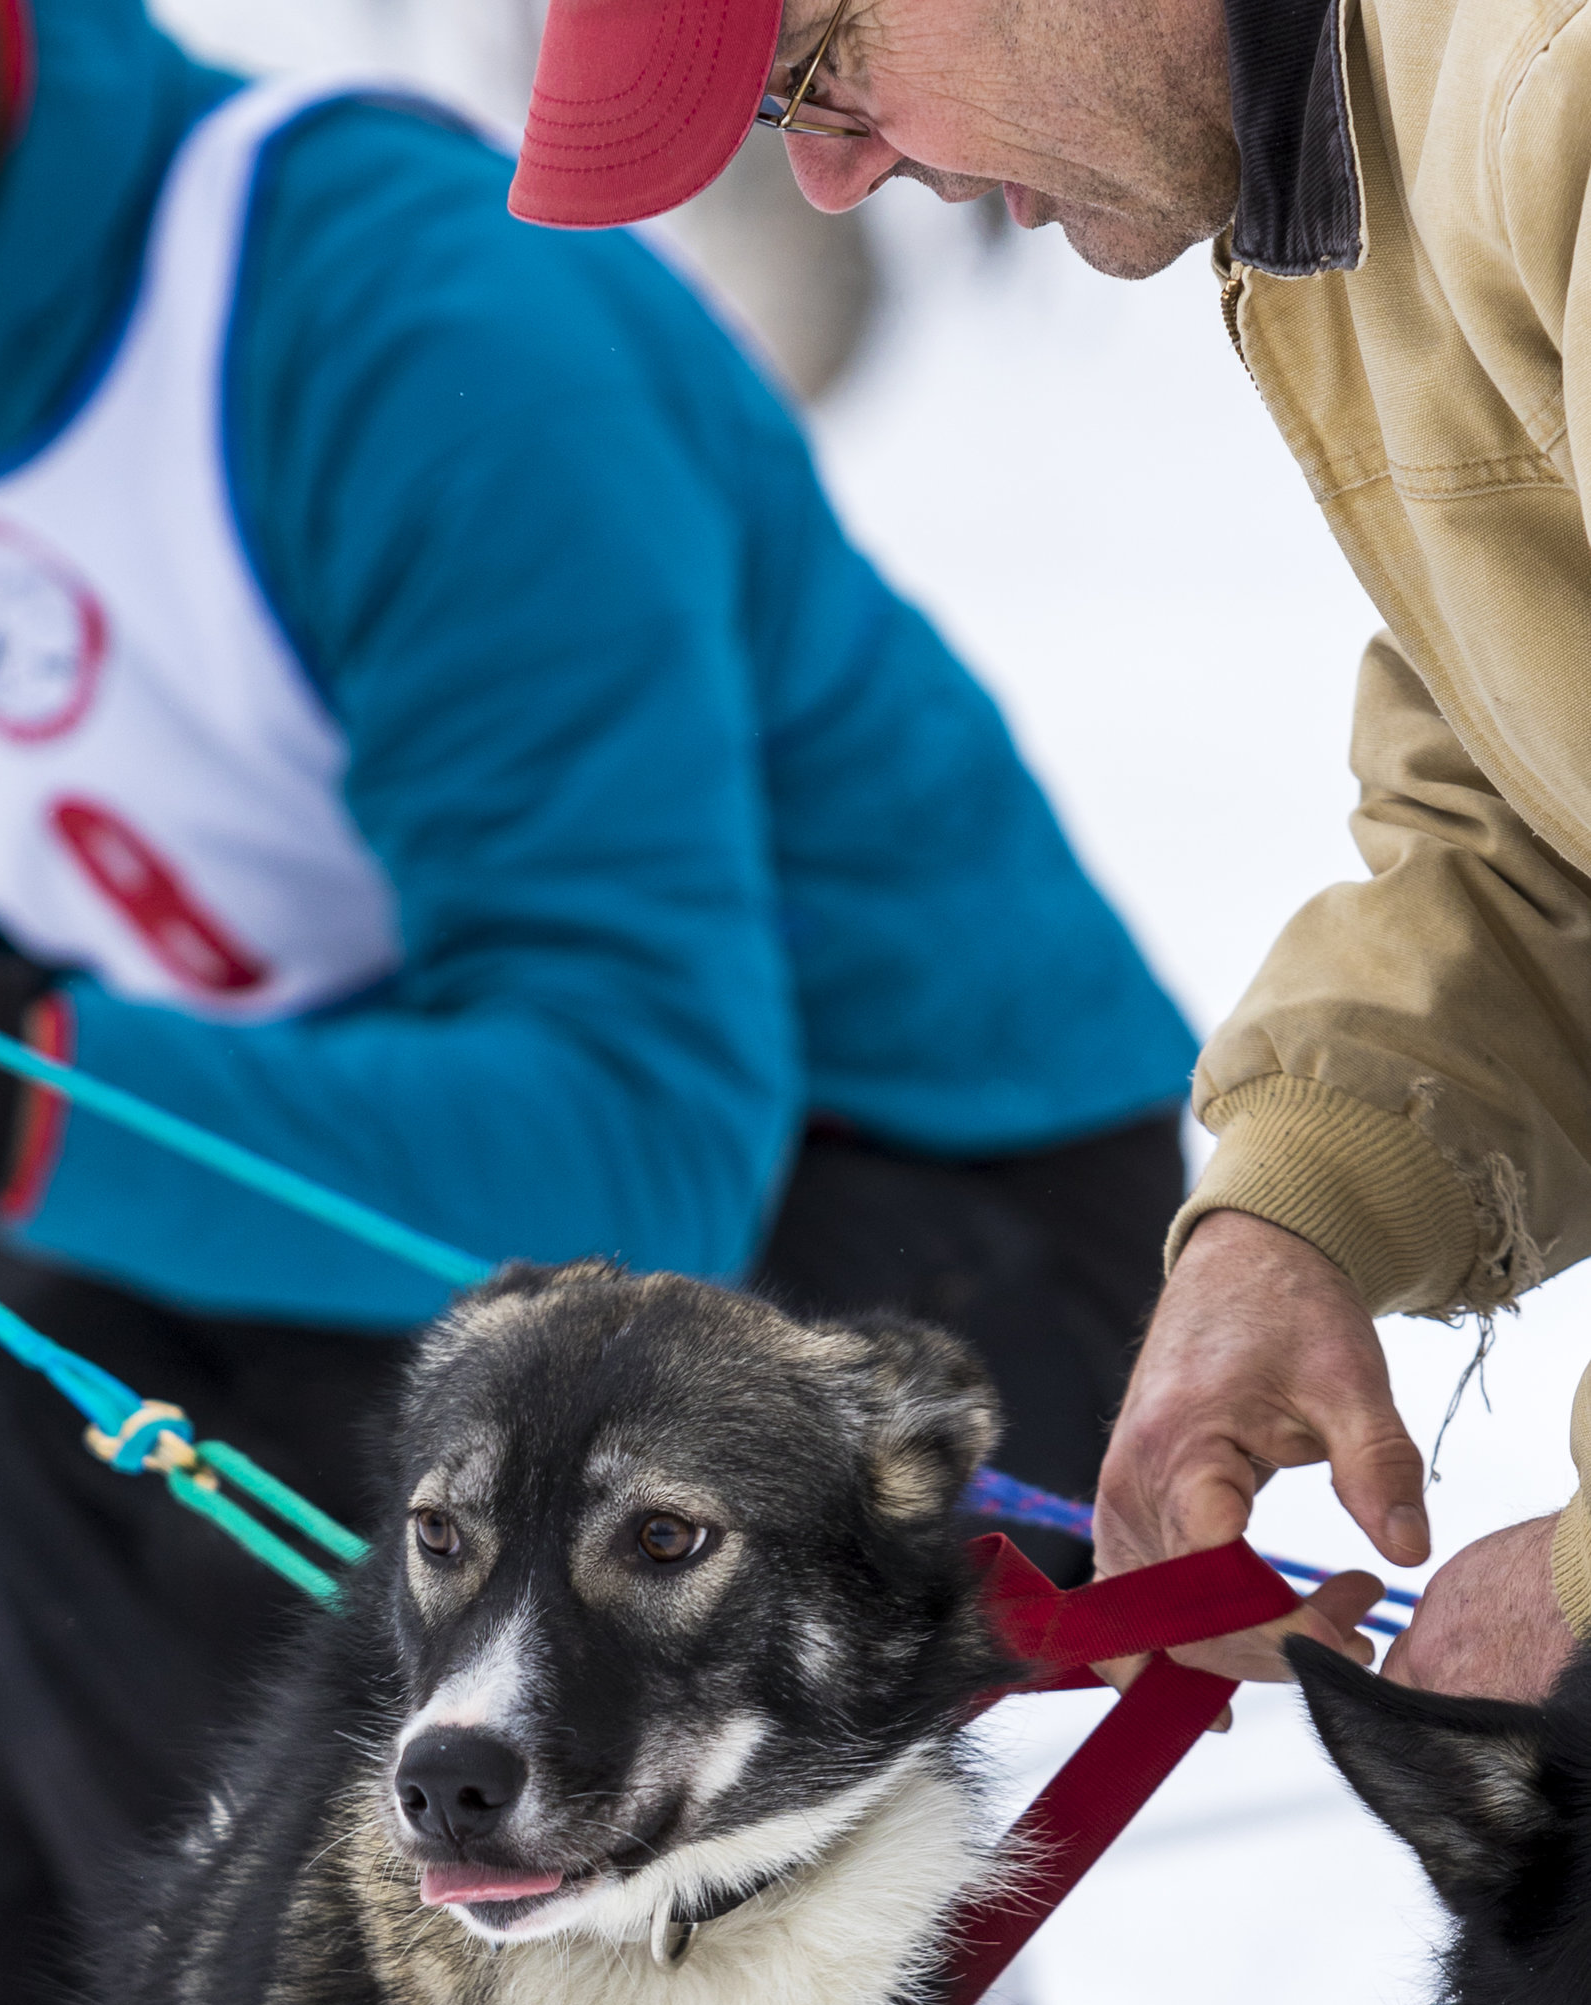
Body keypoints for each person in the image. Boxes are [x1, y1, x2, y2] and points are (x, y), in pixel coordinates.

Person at [0, 0, 1196, 2005]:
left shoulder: (401, 310)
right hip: (382, 1320)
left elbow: (640, 1137)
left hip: (915, 1265)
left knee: (66, 1367)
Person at [505, 0, 1591, 1709]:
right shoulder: (1345, 165)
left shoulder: (1554, 94)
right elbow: (1537, 820)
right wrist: (1298, 1209)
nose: (839, 172)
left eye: (820, 71)